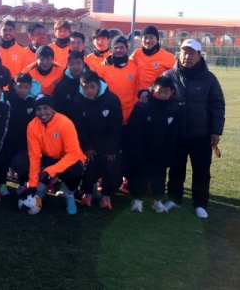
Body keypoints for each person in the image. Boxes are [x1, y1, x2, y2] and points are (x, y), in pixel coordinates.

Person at [164, 39, 225, 219]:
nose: (187, 57)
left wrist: (216, 131)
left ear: (199, 56)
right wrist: (144, 93)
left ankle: (200, 203)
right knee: (176, 169)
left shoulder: (209, 78)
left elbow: (217, 105)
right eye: (184, 52)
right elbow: (157, 93)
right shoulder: (169, 75)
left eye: (191, 53)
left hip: (201, 134)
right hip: (177, 134)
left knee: (201, 171)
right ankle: (174, 198)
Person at [18, 94, 86, 215]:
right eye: (38, 109)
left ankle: (69, 194)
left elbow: (73, 153)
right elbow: (34, 156)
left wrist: (51, 171)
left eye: (45, 108)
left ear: (52, 109)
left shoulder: (65, 123)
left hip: (69, 158)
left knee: (75, 172)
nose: (42, 112)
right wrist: (32, 185)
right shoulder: (32, 126)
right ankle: (41, 187)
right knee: (23, 162)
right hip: (48, 158)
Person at [125, 76, 181, 213]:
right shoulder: (143, 105)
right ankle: (137, 199)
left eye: (166, 92)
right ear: (153, 89)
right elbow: (134, 130)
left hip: (161, 149)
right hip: (142, 148)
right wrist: (136, 151)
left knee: (160, 174)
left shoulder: (175, 108)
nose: (162, 95)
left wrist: (168, 153)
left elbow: (173, 134)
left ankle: (157, 201)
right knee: (140, 172)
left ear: (172, 92)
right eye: (159, 91)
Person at [72, 71, 123, 210]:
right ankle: (87, 193)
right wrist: (87, 146)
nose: (89, 91)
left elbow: (116, 125)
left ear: (98, 85)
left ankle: (106, 195)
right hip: (89, 143)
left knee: (110, 164)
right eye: (85, 87)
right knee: (89, 164)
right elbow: (78, 126)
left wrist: (112, 147)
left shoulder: (112, 99)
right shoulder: (78, 100)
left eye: (92, 87)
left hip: (107, 143)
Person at [3, 72, 38, 194]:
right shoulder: (7, 97)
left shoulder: (33, 102)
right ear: (14, 85)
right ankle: (2, 184)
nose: (23, 90)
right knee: (3, 160)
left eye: (26, 87)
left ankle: (23, 184)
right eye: (20, 86)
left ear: (30, 87)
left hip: (24, 141)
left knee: (22, 162)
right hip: (7, 139)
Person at [100, 36, 140, 124]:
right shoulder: (103, 67)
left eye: (122, 47)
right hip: (110, 111)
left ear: (127, 49)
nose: (118, 50)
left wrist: (135, 110)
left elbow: (136, 90)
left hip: (129, 113)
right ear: (111, 50)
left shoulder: (134, 67)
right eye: (116, 47)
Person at [131, 25, 176, 90]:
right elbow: (127, 66)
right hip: (139, 94)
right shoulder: (136, 54)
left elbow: (177, 74)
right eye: (145, 37)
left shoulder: (168, 57)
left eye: (151, 37)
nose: (148, 40)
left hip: (158, 94)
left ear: (157, 39)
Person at [53, 51, 87, 119]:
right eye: (72, 64)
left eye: (78, 63)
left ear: (83, 64)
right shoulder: (61, 86)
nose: (75, 67)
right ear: (68, 65)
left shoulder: (91, 81)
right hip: (67, 122)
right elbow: (57, 110)